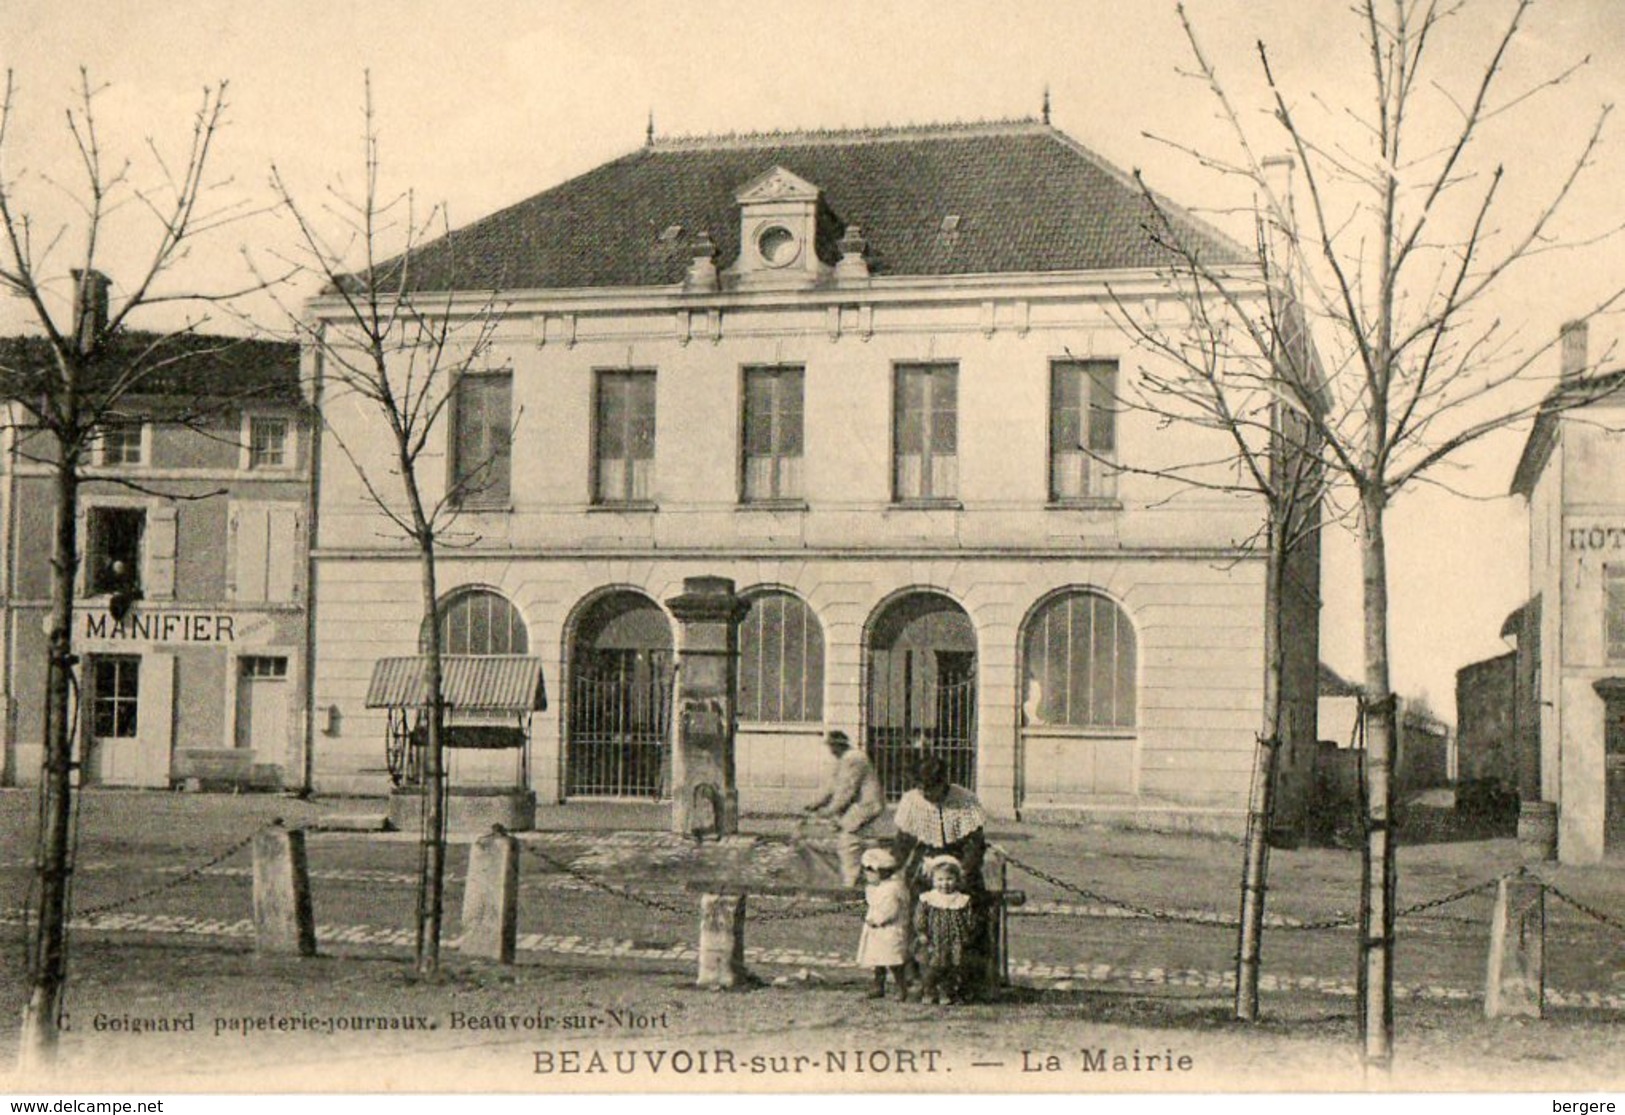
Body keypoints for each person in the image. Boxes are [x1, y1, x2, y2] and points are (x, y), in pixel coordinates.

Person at [892, 753, 990, 997]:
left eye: (932, 788)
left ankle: (967, 979)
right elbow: (903, 842)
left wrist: (961, 871)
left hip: (959, 868)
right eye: (922, 788)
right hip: (925, 866)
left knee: (970, 915)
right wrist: (890, 868)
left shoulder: (965, 800)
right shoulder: (912, 802)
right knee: (917, 915)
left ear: (944, 783)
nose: (927, 794)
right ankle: (919, 978)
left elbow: (974, 844)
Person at [803, 729, 884, 886]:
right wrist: (817, 803)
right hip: (861, 808)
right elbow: (833, 786)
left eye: (832, 746)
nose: (830, 750)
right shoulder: (845, 759)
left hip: (864, 807)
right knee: (863, 841)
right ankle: (867, 875)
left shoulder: (853, 759)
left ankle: (850, 882)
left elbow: (847, 790)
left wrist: (830, 810)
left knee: (848, 844)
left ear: (838, 746)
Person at [912, 855, 979, 1005]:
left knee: (951, 966)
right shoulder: (928, 898)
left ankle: (946, 991)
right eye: (940, 880)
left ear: (957, 879)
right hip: (934, 939)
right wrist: (922, 932)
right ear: (933, 880)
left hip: (955, 939)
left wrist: (968, 932)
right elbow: (920, 917)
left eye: (949, 879)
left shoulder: (962, 899)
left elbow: (969, 918)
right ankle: (929, 990)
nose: (945, 884)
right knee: (932, 966)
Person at [855, 847, 910, 1001]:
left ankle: (901, 988)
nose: (867, 875)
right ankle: (878, 986)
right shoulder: (875, 888)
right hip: (875, 931)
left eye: (870, 871)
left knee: (893, 960)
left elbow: (890, 911)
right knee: (877, 960)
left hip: (889, 930)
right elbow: (872, 904)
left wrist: (877, 920)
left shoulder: (893, 888)